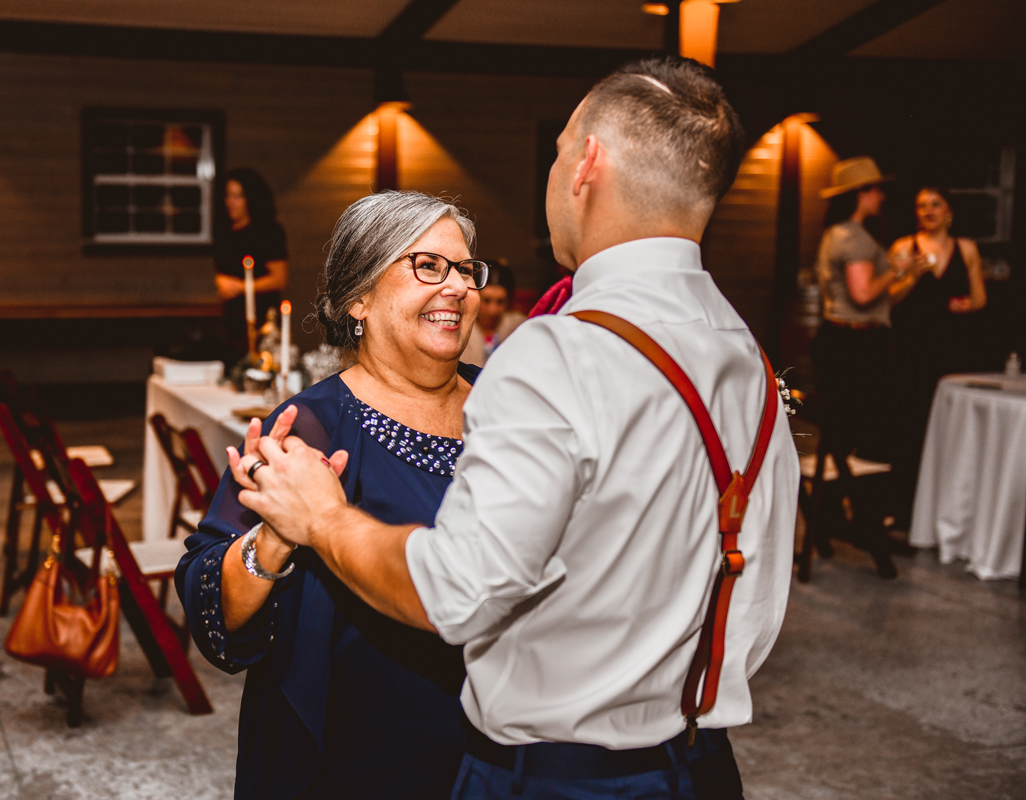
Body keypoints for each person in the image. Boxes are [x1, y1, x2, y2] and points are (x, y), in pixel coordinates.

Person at [232, 57, 799, 800]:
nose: (458, 286)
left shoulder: (559, 352)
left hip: (560, 776)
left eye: (557, 151)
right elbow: (753, 596)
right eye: (427, 266)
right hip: (699, 766)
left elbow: (456, 591)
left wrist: (326, 519)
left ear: (586, 164)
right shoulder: (747, 358)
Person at [176, 191, 491, 799]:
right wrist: (273, 539)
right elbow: (212, 607)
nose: (457, 287)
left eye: (464, 269)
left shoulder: (514, 405)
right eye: (428, 266)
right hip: (359, 759)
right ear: (358, 298)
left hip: (514, 749)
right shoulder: (309, 426)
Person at [811, 156, 909, 577]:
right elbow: (864, 294)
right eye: (876, 189)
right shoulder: (855, 238)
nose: (881, 197)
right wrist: (898, 269)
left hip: (842, 339)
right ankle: (862, 524)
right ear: (861, 194)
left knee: (843, 432)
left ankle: (829, 517)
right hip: (855, 345)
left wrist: (906, 278)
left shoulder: (836, 233)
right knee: (858, 433)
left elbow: (877, 300)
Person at [887, 187, 986, 523]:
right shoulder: (904, 247)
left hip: (953, 350)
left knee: (950, 427)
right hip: (911, 350)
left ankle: (947, 509)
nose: (928, 211)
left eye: (935, 205)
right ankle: (904, 509)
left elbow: (980, 298)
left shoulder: (966, 248)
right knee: (910, 424)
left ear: (949, 212)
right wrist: (911, 277)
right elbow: (888, 300)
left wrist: (966, 305)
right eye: (921, 206)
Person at [215, 168, 289, 365]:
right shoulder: (224, 232)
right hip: (230, 319)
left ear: (250, 198)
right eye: (228, 195)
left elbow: (279, 278)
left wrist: (242, 287)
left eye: (238, 196)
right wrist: (219, 281)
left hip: (261, 316)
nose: (231, 202)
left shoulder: (268, 232)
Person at [459, 263, 526, 367]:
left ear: (509, 301)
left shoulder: (518, 326)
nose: (492, 311)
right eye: (486, 300)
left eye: (500, 302)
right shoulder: (458, 329)